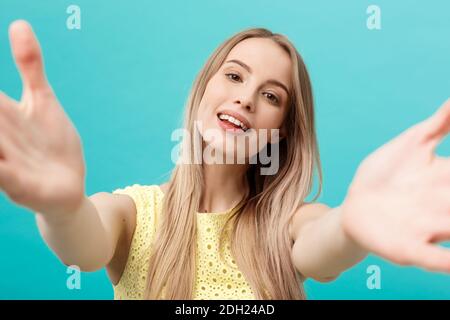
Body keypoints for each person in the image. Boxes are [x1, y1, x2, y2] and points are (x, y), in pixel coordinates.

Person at [0, 20, 449, 300]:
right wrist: (59, 208)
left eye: (271, 95)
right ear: (204, 88)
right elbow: (82, 245)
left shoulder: (290, 226)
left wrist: (354, 223)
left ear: (282, 132)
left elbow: (324, 247)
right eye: (234, 75)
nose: (246, 98)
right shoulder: (132, 215)